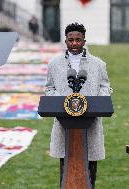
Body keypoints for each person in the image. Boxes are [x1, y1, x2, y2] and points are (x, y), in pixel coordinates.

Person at [45, 22, 112, 188]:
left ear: (84, 41)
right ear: (65, 41)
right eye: (71, 40)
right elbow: (49, 88)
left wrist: (96, 103)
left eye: (78, 40)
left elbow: (105, 88)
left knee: (90, 165)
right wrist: (61, 103)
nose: (74, 43)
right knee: (66, 164)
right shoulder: (54, 64)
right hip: (64, 122)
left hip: (90, 122)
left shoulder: (98, 64)